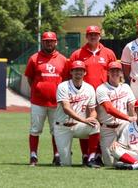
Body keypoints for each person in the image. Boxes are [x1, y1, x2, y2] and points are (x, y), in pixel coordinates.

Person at [69, 25, 116, 164]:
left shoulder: (108, 53)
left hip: (103, 94)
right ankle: (86, 155)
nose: (93, 36)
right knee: (86, 124)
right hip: (84, 94)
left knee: (101, 124)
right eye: (90, 34)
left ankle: (98, 155)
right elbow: (69, 74)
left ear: (100, 35)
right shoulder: (77, 54)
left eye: (96, 34)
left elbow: (114, 73)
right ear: (86, 36)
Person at [24, 31, 67, 166]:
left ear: (56, 42)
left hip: (56, 102)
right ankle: (33, 156)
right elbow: (30, 78)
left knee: (56, 131)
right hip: (38, 102)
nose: (49, 43)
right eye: (46, 41)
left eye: (51, 41)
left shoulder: (63, 60)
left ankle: (57, 155)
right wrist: (39, 89)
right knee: (35, 129)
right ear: (42, 42)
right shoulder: (34, 58)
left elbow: (65, 80)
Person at [54, 60, 101, 167]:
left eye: (81, 70)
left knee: (95, 125)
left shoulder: (89, 88)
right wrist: (84, 120)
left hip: (78, 125)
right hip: (62, 127)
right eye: (75, 70)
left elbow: (93, 111)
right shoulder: (63, 86)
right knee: (66, 164)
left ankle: (91, 158)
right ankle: (64, 155)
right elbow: (66, 108)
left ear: (85, 72)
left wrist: (92, 118)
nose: (78, 72)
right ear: (71, 72)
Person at [95, 61, 136, 167]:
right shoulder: (101, 88)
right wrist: (128, 117)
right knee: (110, 163)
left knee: (128, 156)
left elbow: (132, 105)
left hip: (123, 127)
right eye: (112, 71)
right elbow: (108, 109)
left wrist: (134, 118)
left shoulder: (126, 87)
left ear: (121, 73)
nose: (115, 73)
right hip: (107, 129)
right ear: (108, 73)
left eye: (117, 71)